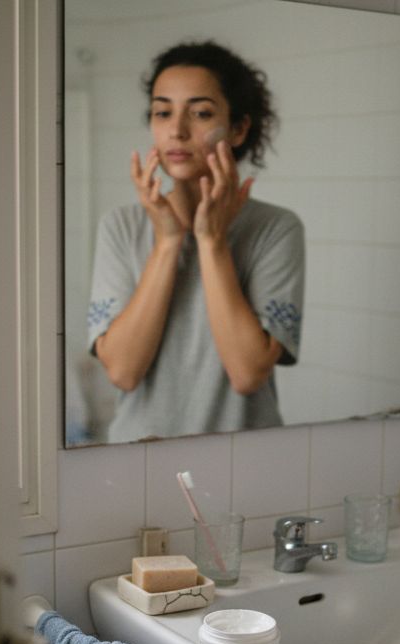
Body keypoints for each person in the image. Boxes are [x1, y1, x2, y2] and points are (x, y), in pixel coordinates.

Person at [87, 41, 304, 444]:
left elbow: (248, 372)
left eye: (201, 112)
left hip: (246, 463)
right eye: (162, 111)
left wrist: (211, 242)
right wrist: (168, 243)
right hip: (136, 463)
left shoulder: (276, 229)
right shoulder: (120, 226)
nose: (177, 130)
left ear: (239, 128)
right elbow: (122, 371)